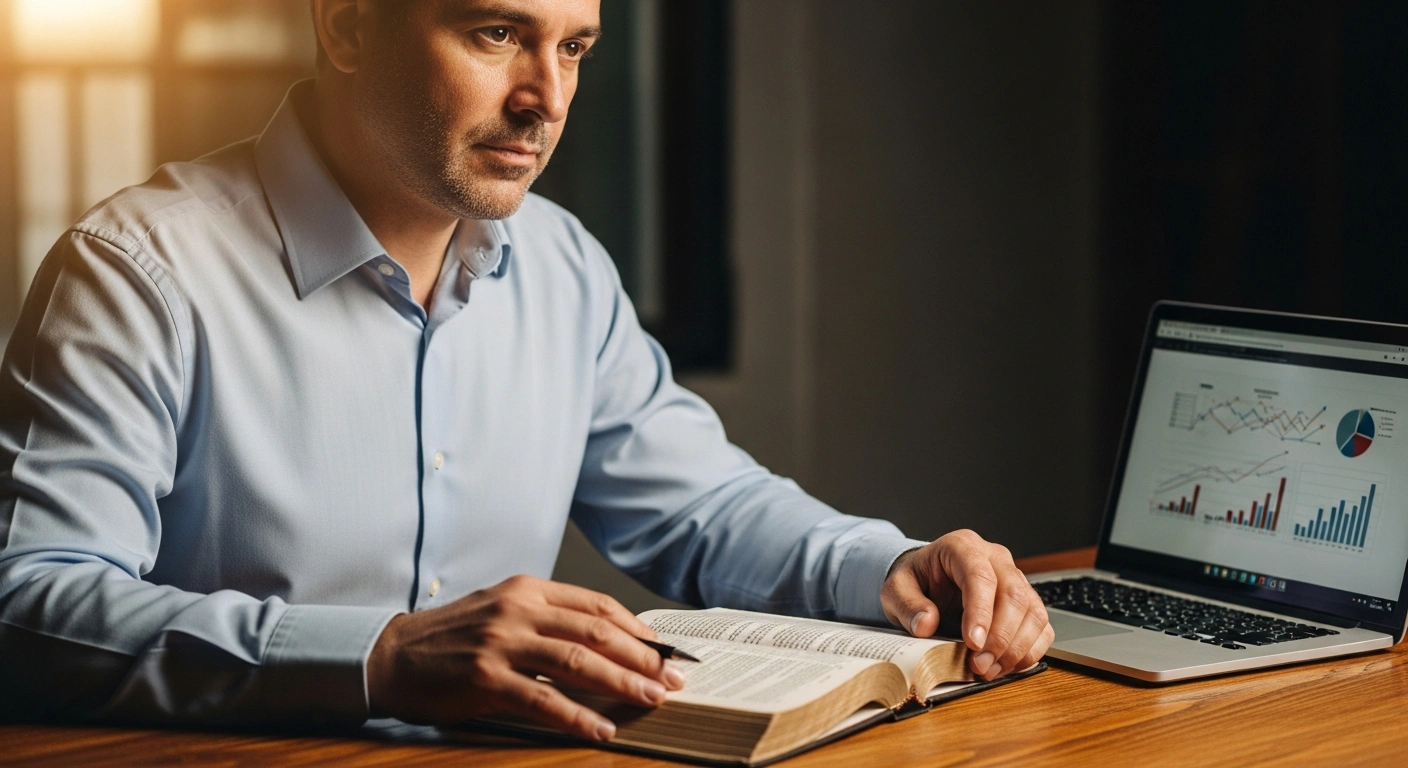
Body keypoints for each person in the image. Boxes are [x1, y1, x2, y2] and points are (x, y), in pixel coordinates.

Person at [0, 0, 1053, 741]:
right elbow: (28, 607)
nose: (545, 97)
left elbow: (704, 508)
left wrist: (887, 565)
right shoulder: (139, 271)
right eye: (496, 33)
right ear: (347, 23)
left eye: (576, 47)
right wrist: (382, 657)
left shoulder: (559, 261)